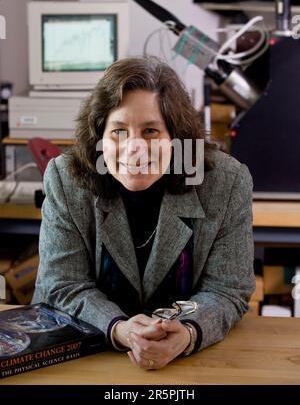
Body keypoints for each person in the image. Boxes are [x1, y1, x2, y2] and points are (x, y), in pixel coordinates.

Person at [33, 55, 255, 370]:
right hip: (89, 359)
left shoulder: (226, 182)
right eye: (119, 131)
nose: (134, 148)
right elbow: (61, 284)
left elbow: (227, 288)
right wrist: (122, 330)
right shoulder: (66, 178)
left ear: (176, 139)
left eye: (150, 131)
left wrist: (187, 333)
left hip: (189, 368)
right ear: (99, 138)